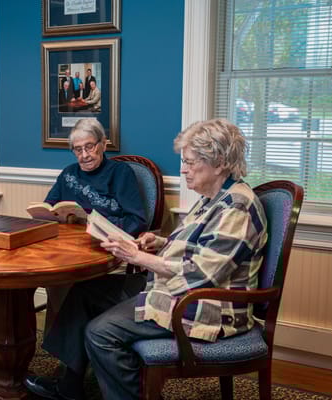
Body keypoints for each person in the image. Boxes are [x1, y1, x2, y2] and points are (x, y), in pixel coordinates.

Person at [81, 118, 268, 399]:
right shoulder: (215, 197)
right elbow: (201, 247)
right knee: (86, 293)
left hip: (206, 307)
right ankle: (70, 385)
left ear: (219, 163)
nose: (183, 170)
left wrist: (137, 256)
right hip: (179, 291)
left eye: (190, 162)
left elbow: (201, 274)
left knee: (100, 333)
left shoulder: (237, 207)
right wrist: (159, 242)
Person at [24, 118, 148, 399]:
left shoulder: (120, 173)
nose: (84, 155)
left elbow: (136, 220)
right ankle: (70, 371)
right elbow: (50, 207)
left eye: (89, 147)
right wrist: (58, 215)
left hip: (105, 250)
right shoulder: (68, 174)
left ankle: (69, 377)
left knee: (78, 291)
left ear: (103, 144)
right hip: (70, 250)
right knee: (65, 286)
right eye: (77, 150)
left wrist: (101, 227)